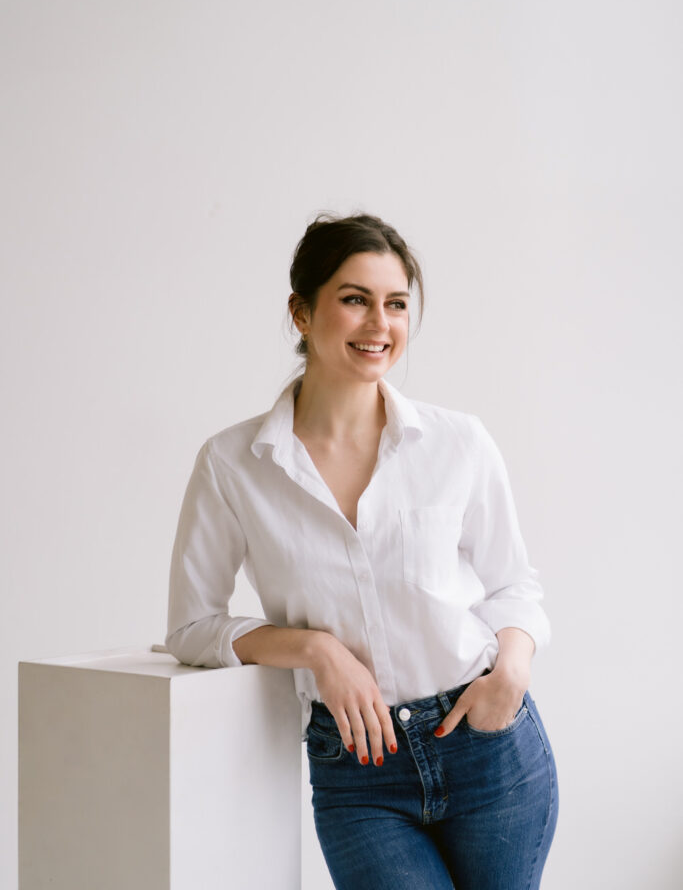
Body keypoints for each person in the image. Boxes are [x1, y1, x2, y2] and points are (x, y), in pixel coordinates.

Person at [165, 212, 559, 890]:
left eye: (396, 304)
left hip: (490, 750)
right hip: (357, 770)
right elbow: (191, 627)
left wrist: (512, 673)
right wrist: (315, 650)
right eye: (354, 299)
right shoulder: (234, 463)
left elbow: (512, 586)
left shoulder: (457, 442)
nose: (379, 324)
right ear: (300, 311)